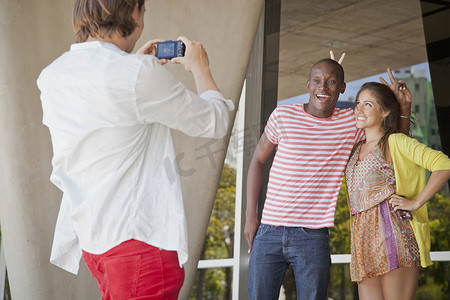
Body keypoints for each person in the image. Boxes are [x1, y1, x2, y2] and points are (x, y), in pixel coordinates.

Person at [37, 0, 234, 299]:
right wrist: (200, 66)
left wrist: (138, 69)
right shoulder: (136, 75)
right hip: (139, 245)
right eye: (143, 11)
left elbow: (111, 116)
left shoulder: (52, 76)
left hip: (94, 241)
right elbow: (215, 122)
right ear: (132, 13)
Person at [244, 56, 411, 299]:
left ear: (342, 88)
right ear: (308, 85)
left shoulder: (351, 124)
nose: (323, 87)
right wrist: (251, 216)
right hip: (269, 231)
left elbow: (394, 145)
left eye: (332, 82)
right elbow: (258, 161)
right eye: (317, 81)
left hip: (312, 237)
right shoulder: (282, 116)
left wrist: (403, 107)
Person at [345, 81, 450, 299]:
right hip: (362, 240)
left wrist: (415, 202)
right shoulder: (356, 148)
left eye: (368, 104)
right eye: (358, 103)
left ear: (385, 112)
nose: (359, 109)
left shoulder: (396, 141)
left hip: (393, 235)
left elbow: (443, 164)